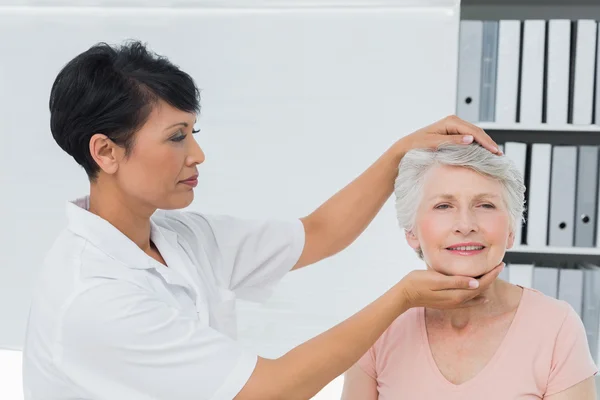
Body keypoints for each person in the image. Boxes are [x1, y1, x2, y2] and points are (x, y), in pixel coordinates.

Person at [22, 40, 503, 400]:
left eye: (194, 133)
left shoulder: (179, 236)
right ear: (106, 151)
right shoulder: (94, 299)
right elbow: (269, 390)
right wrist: (401, 298)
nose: (198, 155)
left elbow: (318, 233)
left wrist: (400, 153)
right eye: (176, 137)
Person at [341, 143, 598, 400]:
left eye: (485, 205)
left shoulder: (556, 326)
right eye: (443, 206)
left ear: (510, 230)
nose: (465, 225)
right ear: (411, 231)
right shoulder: (377, 328)